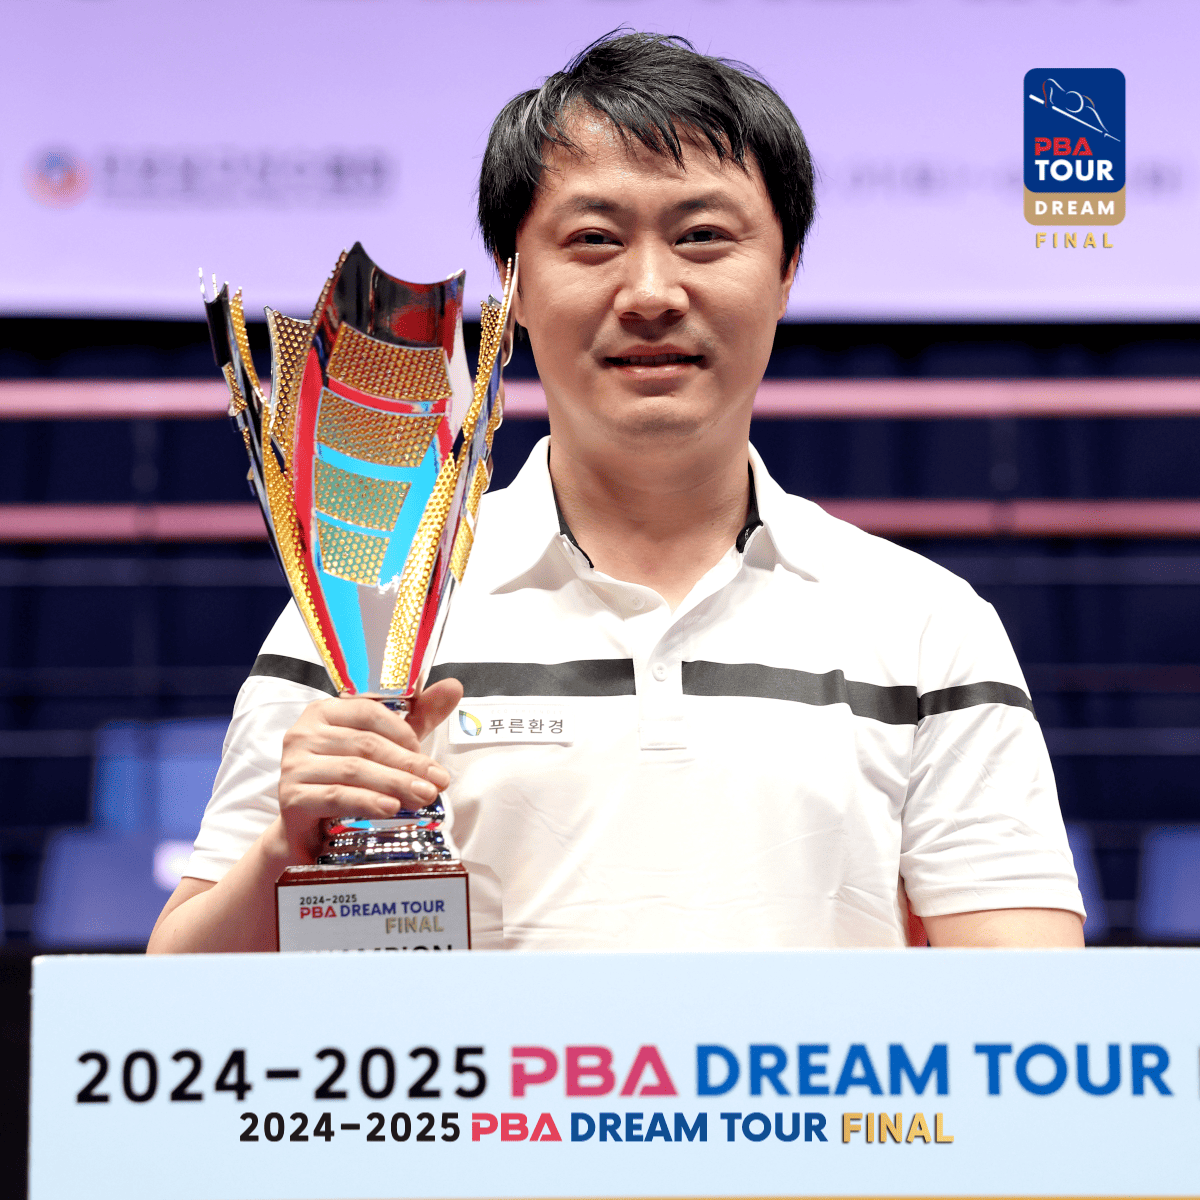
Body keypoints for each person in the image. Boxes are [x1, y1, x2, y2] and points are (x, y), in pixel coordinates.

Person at [149, 32, 1084, 954]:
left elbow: (1034, 1007)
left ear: (787, 271)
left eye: (702, 237)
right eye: (594, 240)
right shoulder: (370, 604)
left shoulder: (925, 624)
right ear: (513, 285)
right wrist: (287, 851)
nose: (650, 292)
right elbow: (176, 995)